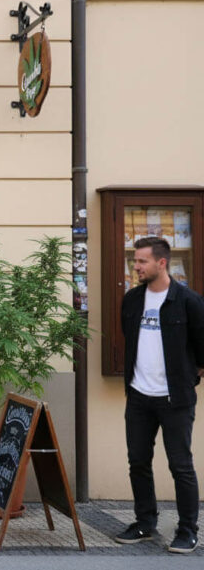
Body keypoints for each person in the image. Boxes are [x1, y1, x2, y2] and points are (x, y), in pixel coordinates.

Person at [114, 236, 203, 554]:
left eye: (141, 261)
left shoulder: (188, 301)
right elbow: (130, 338)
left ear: (161, 263)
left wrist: (187, 377)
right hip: (139, 396)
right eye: (134, 261)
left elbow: (202, 347)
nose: (135, 266)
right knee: (137, 460)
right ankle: (145, 522)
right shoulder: (133, 300)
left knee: (180, 464)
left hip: (174, 399)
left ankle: (188, 529)